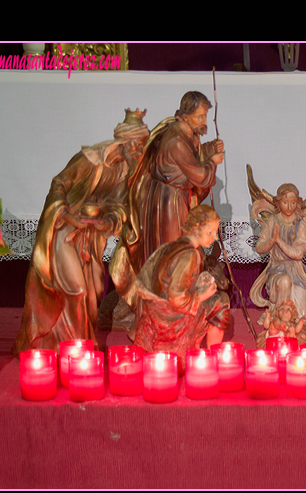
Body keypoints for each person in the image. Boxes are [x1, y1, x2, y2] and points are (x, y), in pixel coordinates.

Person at [12, 110, 150, 354]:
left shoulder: (125, 170)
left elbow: (118, 206)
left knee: (93, 293)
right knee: (76, 288)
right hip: (64, 229)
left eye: (143, 146)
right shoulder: (90, 159)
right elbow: (59, 182)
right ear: (123, 142)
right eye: (137, 146)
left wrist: (109, 222)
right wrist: (64, 213)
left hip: (91, 236)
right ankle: (71, 348)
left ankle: (73, 346)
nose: (140, 152)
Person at [112, 91, 224, 311]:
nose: (203, 121)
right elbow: (199, 174)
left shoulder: (186, 133)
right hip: (167, 204)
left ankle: (175, 300)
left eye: (205, 116)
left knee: (178, 247)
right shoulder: (175, 140)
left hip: (175, 198)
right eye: (199, 116)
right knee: (172, 248)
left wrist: (209, 148)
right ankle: (168, 305)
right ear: (185, 114)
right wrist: (212, 162)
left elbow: (190, 159)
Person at [133, 205, 231, 365]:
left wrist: (199, 282)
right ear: (196, 229)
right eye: (210, 232)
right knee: (221, 300)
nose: (214, 237)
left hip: (157, 307)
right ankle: (214, 354)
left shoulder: (173, 246)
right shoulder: (190, 255)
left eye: (215, 232)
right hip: (171, 314)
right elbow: (177, 298)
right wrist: (202, 295)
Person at [250, 183, 306, 327]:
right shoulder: (273, 221)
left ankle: (290, 322)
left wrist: (278, 241)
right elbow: (259, 248)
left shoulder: (300, 223)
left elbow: (298, 254)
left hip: (297, 271)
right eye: (285, 203)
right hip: (277, 269)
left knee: (303, 315)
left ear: (297, 203)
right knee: (284, 281)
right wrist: (271, 240)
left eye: (293, 203)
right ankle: (278, 319)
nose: (289, 207)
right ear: (278, 202)